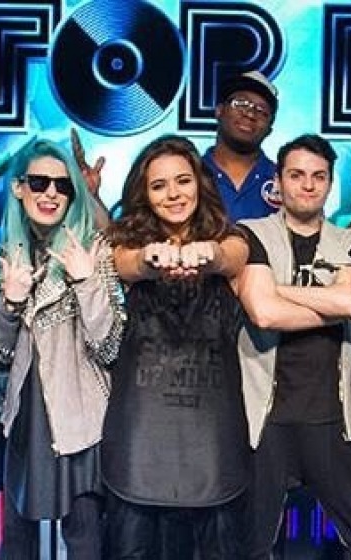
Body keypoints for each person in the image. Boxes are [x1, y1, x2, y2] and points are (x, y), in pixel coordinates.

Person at [101, 135, 250, 559]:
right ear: (144, 195)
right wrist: (150, 260)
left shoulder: (230, 237)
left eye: (183, 181)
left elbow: (234, 256)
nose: (173, 194)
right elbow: (125, 264)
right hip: (141, 433)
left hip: (212, 435)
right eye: (159, 185)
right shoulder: (125, 242)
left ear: (199, 184)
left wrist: (209, 255)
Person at [235, 134, 351, 559]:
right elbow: (264, 314)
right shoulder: (250, 234)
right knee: (249, 543)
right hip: (264, 418)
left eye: (319, 176)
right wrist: (329, 301)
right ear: (278, 181)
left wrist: (275, 289)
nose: (308, 185)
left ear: (330, 182)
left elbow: (350, 301)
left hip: (335, 418)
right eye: (297, 175)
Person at [0, 139, 126, 559]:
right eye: (39, 183)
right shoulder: (11, 251)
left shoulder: (93, 248)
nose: (51, 193)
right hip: (27, 412)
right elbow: (2, 351)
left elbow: (110, 347)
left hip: (80, 415)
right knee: (17, 540)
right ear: (19, 188)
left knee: (84, 536)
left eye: (62, 186)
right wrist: (11, 303)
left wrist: (86, 282)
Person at [205, 70, 351, 228]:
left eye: (262, 111)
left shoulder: (287, 181)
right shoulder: (192, 174)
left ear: (270, 128)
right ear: (219, 110)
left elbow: (330, 253)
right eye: (241, 103)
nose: (250, 114)